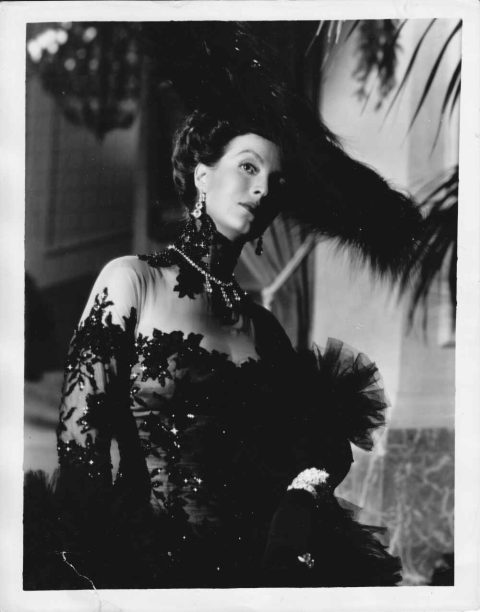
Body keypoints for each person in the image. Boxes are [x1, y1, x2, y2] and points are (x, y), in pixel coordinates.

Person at [24, 109, 419, 590]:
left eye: (277, 181)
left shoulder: (264, 328)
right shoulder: (133, 280)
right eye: (249, 167)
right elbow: (81, 447)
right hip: (147, 567)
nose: (263, 188)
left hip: (253, 570)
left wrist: (298, 502)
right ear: (202, 176)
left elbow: (320, 446)